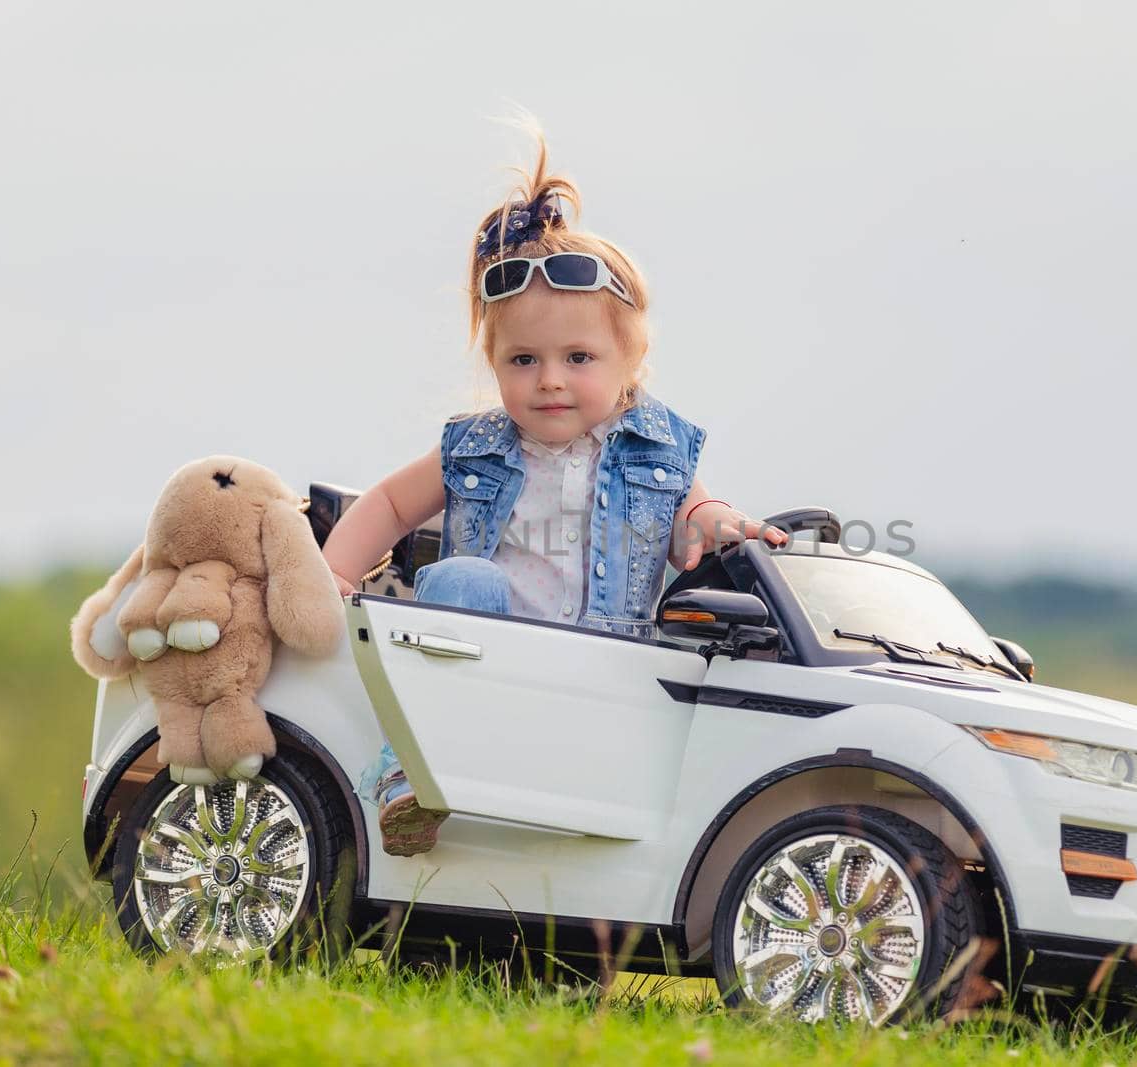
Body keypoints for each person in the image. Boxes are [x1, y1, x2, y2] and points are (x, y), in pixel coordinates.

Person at [321, 130, 788, 854]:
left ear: (630, 360)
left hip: (600, 670)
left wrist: (721, 522)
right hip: (485, 664)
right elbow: (385, 504)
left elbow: (689, 513)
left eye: (578, 357)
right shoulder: (476, 446)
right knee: (464, 578)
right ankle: (409, 775)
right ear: (494, 360)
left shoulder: (652, 451)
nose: (550, 379)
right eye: (523, 359)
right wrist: (334, 578)